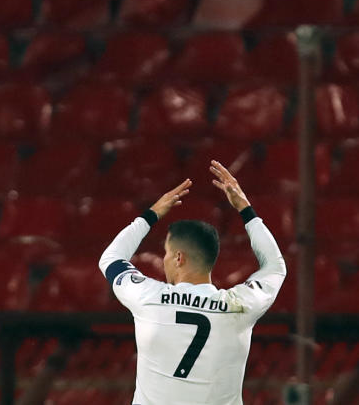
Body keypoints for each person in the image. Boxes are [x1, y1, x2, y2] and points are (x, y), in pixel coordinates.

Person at [98, 160, 287, 405]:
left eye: (166, 252)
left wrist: (150, 214)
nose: (163, 259)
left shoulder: (149, 297)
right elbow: (275, 266)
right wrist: (245, 209)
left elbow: (111, 258)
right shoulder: (239, 305)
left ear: (178, 258)